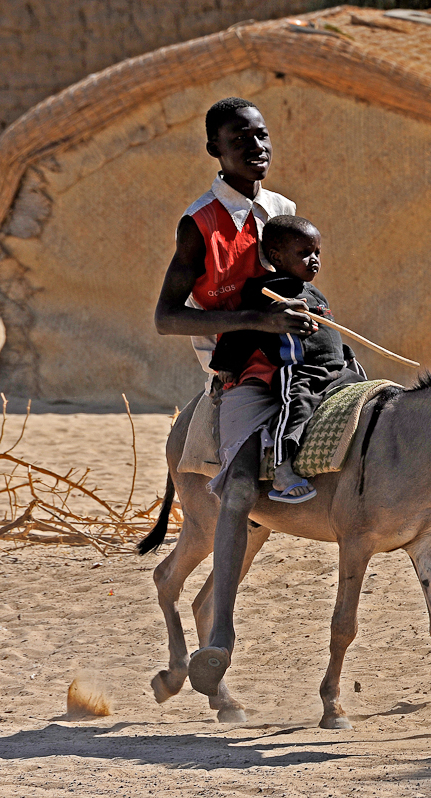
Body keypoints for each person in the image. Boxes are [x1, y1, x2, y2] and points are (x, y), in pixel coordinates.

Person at [154, 97, 312, 696]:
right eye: (240, 139)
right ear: (215, 150)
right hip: (236, 372)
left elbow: (298, 278)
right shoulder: (198, 225)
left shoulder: (282, 211)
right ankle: (212, 635)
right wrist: (254, 321)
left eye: (262, 136)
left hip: (290, 363)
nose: (256, 147)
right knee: (240, 489)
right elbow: (168, 318)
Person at [209, 215, 364, 504]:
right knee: (298, 406)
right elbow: (243, 330)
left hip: (335, 369)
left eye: (317, 252)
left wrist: (346, 359)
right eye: (304, 253)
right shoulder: (265, 290)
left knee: (367, 395)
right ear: (277, 257)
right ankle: (282, 468)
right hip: (299, 371)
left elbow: (328, 334)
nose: (314, 260)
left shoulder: (315, 293)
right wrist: (227, 365)